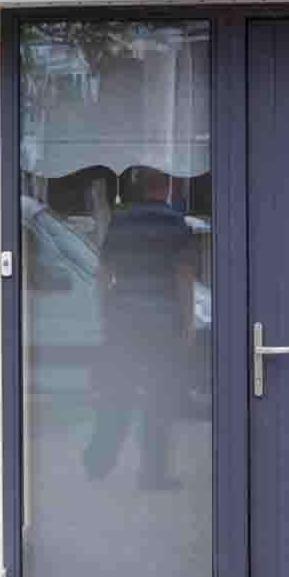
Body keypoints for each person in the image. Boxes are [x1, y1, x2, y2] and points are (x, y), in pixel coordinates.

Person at [82, 165, 202, 492]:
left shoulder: (122, 222)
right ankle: (152, 475)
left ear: (139, 187)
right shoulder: (175, 224)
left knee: (117, 391)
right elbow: (183, 276)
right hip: (163, 321)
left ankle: (99, 459)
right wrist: (188, 324)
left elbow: (104, 272)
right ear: (166, 187)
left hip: (124, 318)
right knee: (159, 398)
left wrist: (107, 311)